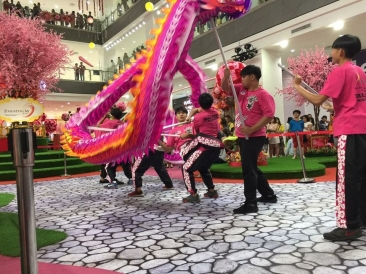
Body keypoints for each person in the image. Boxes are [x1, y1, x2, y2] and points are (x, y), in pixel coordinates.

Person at [292, 34, 366, 241]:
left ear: (340, 51)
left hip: (348, 130)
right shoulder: (360, 71)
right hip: (363, 129)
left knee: (346, 179)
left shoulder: (339, 71)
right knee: (362, 176)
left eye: (332, 49)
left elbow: (316, 100)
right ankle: (360, 220)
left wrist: (297, 85)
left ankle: (349, 226)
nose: (330, 54)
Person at [222, 65, 277, 214]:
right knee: (252, 167)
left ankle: (251, 203)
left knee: (249, 170)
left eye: (244, 77)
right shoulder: (241, 90)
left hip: (254, 136)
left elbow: (269, 115)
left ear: (252, 77)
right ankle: (268, 194)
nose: (242, 80)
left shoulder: (263, 95)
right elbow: (227, 88)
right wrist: (226, 77)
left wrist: (252, 129)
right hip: (242, 135)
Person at [96, 108, 124, 189]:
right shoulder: (122, 123)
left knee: (108, 164)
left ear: (112, 115)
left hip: (108, 146)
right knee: (112, 164)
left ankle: (112, 181)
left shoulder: (110, 123)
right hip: (118, 146)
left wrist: (105, 117)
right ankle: (110, 179)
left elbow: (98, 126)